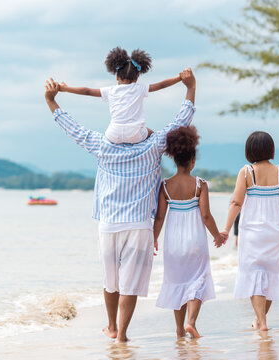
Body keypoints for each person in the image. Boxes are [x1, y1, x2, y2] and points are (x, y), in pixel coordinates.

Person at [44, 68, 196, 343]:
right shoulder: (153, 146)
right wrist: (189, 88)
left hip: (110, 224)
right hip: (139, 226)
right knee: (130, 285)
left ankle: (112, 327)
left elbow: (74, 130)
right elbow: (180, 121)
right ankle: (122, 334)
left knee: (110, 281)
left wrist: (52, 101)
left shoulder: (103, 145)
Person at [220, 131, 279, 332]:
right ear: (270, 149)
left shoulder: (246, 172)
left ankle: (261, 321)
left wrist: (226, 229)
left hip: (253, 232)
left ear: (249, 150)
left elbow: (236, 202)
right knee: (272, 275)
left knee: (254, 275)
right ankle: (260, 320)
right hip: (277, 231)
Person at [153, 125, 226, 339]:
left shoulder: (165, 186)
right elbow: (206, 216)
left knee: (178, 282)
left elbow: (159, 218)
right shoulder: (200, 185)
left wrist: (154, 239)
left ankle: (179, 330)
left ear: (174, 159)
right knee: (198, 279)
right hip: (195, 241)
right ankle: (191, 323)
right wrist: (217, 236)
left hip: (173, 243)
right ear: (193, 160)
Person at [58, 47, 182, 144]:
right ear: (137, 78)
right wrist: (179, 78)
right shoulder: (139, 88)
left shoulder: (110, 90)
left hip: (113, 134)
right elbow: (161, 85)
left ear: (117, 76)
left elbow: (87, 91)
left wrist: (66, 88)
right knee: (152, 134)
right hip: (135, 135)